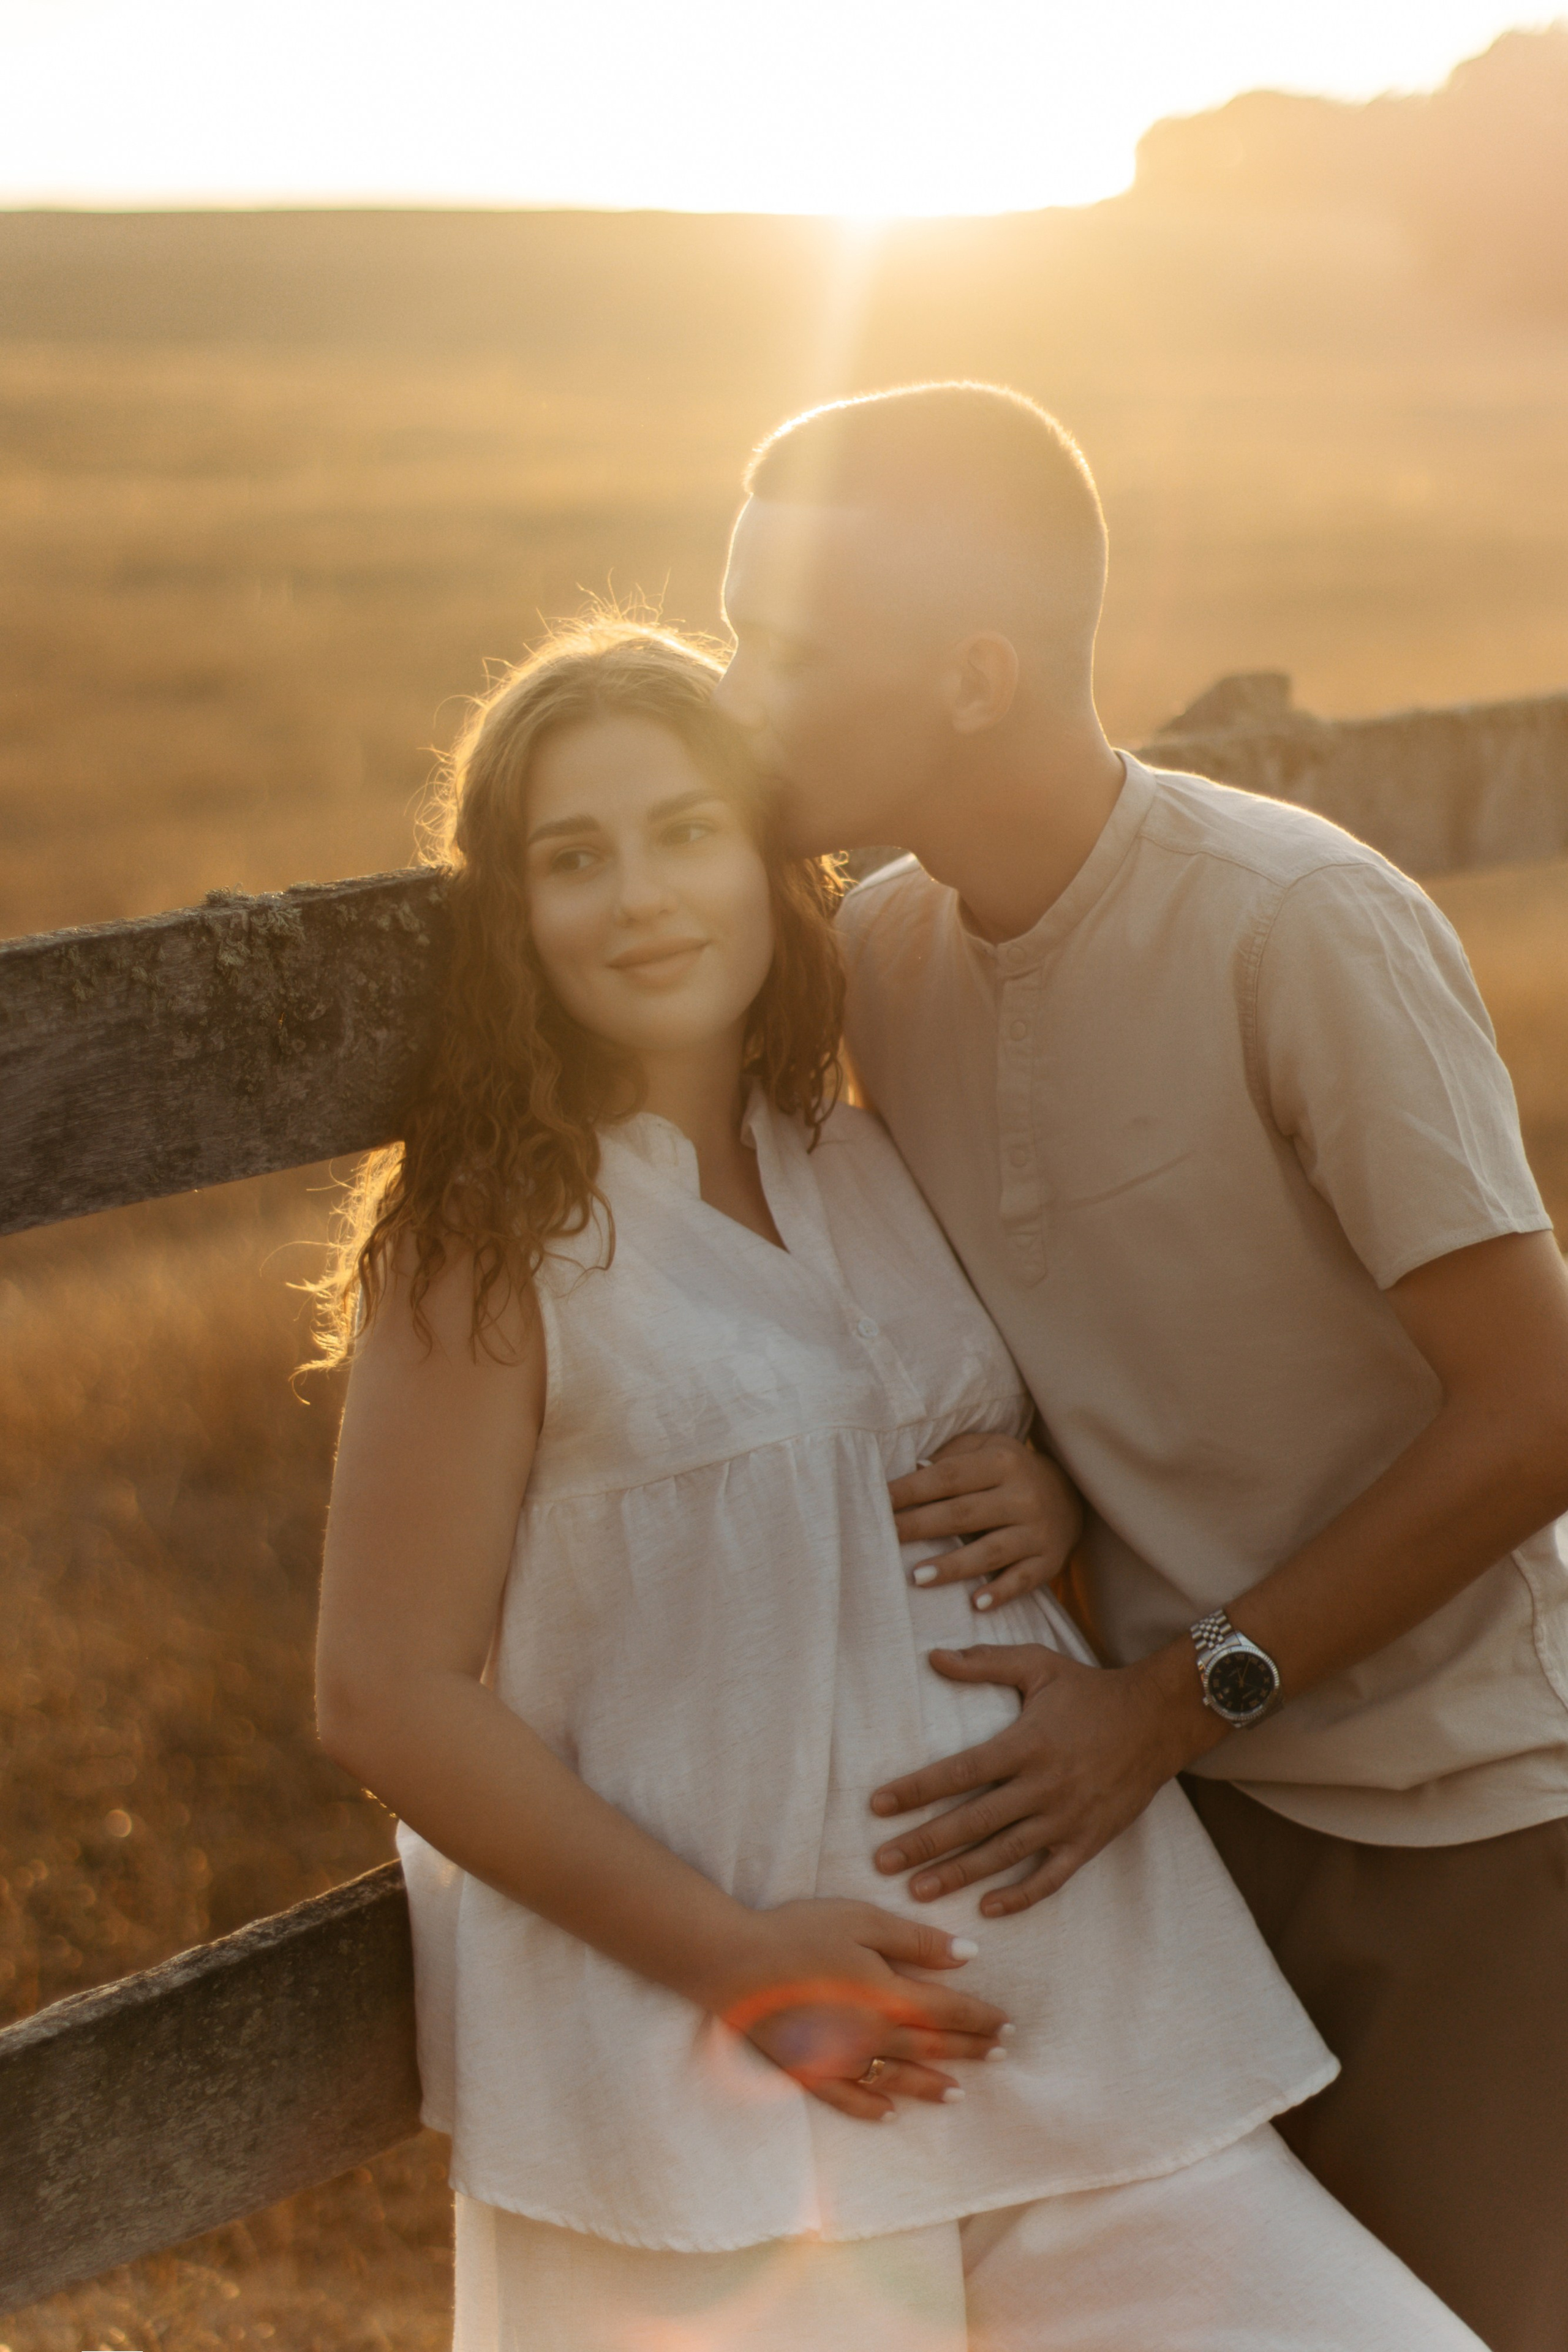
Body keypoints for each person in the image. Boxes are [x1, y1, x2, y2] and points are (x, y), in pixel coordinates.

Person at [313, 621, 1480, 2352]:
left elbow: (914, 1462)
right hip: (724, 2089)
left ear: (773, 864)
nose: (641, 896)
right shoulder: (491, 1245)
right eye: (576, 856)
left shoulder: (859, 1146)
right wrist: (735, 1961)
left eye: (687, 830)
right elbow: (384, 1695)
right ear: (513, 908)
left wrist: (1056, 1500)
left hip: (1080, 2027)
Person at [714, 379, 1568, 2352]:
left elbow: (1538, 1412)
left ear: (973, 677)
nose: (735, 689)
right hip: (1156, 1839)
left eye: (790, 646)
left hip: (1450, 1824)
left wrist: (1173, 1702)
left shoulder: (1303, 929)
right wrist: (1048, 1474)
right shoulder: (887, 964)